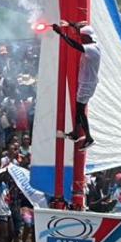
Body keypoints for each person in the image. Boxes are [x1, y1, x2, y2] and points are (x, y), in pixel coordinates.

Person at [50, 20, 100, 148]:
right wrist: (71, 25)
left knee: (80, 111)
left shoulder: (92, 49)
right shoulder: (93, 43)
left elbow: (74, 45)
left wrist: (61, 34)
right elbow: (81, 30)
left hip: (87, 84)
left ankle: (88, 138)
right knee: (78, 110)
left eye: (82, 37)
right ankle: (76, 133)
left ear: (87, 37)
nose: (81, 39)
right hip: (86, 83)